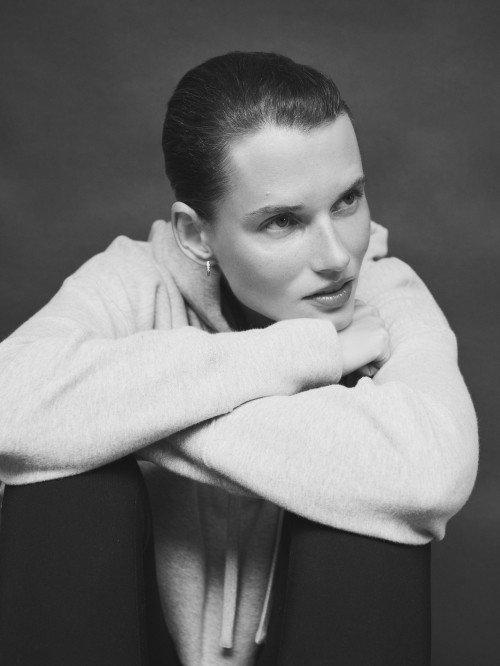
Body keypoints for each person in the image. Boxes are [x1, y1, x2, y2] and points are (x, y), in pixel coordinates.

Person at [0, 52, 478, 666]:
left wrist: (118, 420)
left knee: (373, 520)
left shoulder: (386, 295)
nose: (337, 257)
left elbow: (430, 475)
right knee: (72, 492)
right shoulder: (132, 281)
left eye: (349, 200)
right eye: (283, 221)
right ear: (197, 234)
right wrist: (308, 353)